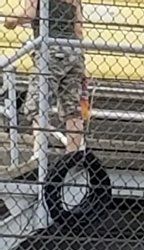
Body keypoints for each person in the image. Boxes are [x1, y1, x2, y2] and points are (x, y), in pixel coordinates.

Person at [5, 0, 86, 153]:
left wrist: (11, 21)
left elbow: (29, 15)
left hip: (50, 51)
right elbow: (78, 29)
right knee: (72, 110)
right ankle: (73, 156)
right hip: (75, 50)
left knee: (37, 105)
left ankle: (39, 155)